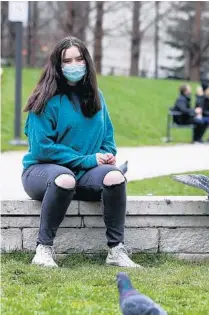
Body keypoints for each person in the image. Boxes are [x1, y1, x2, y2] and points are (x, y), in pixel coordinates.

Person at [21, 36, 141, 268]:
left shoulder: (97, 98)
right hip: (41, 172)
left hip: (84, 175)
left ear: (87, 62)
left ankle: (116, 251)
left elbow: (108, 141)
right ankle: (43, 249)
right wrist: (88, 159)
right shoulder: (44, 100)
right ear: (58, 65)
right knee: (64, 178)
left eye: (79, 59)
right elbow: (42, 148)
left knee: (115, 175)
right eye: (67, 60)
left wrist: (105, 157)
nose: (74, 65)